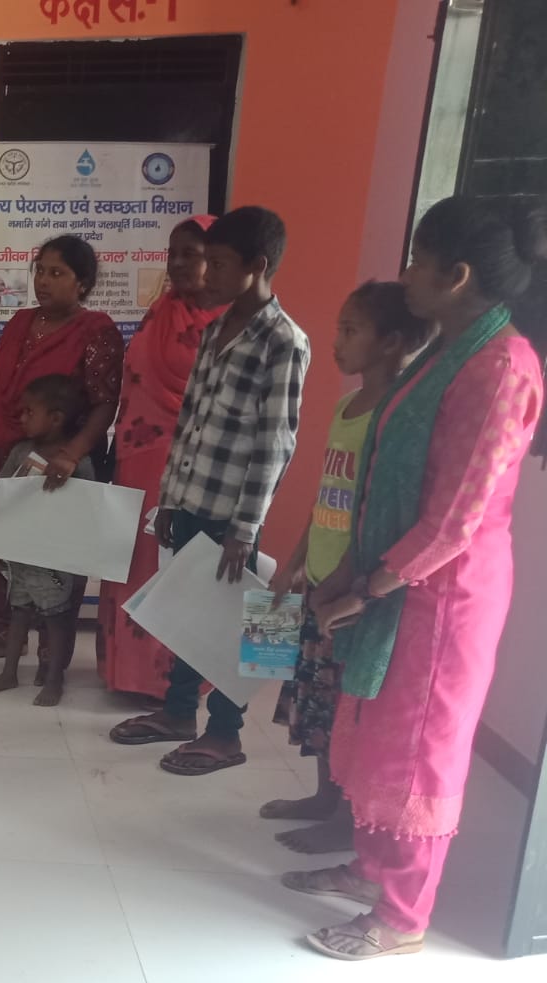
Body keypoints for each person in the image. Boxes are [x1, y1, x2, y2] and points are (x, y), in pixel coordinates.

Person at [282, 197, 545, 960]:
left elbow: (456, 519)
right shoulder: (448, 351)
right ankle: (370, 870)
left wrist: (366, 589)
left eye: (416, 262)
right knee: (376, 733)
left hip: (441, 598)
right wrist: (352, 572)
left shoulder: (501, 370)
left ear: (455, 276)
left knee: (420, 748)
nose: (404, 275)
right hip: (394, 580)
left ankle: (402, 915)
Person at [109, 207, 309, 775]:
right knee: (190, 615)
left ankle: (225, 734)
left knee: (231, 625)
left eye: (219, 264)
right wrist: (170, 498)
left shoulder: (284, 340)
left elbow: (276, 445)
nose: (206, 274)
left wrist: (245, 529)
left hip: (233, 515)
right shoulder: (217, 329)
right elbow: (189, 421)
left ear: (257, 266)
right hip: (190, 498)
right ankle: (177, 714)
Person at [259, 283, 430, 855]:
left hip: (355, 590)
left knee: (344, 707)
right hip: (319, 579)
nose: (337, 341)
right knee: (315, 700)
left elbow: (381, 510)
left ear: (392, 342)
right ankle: (323, 797)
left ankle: (344, 819)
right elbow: (328, 495)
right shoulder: (345, 407)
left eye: (351, 330)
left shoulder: (395, 415)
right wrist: (295, 563)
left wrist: (344, 582)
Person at [0, 235, 123, 668]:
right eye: (40, 271)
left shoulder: (96, 330)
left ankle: (51, 657)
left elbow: (104, 402)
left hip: (58, 463)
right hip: (3, 455)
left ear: (83, 283)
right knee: (5, 551)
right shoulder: (20, 321)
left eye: (57, 273)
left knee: (54, 559)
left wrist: (72, 453)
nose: (43, 281)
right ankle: (7, 639)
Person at [97, 217, 223, 698]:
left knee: (181, 565)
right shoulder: (161, 311)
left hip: (200, 465)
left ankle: (175, 684)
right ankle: (128, 674)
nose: (178, 263)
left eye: (191, 253)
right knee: (136, 560)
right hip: (139, 460)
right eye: (173, 253)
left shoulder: (232, 323)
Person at [0, 375, 95, 705]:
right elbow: (4, 495)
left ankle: (54, 679)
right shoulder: (20, 452)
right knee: (19, 612)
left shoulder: (78, 463)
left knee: (56, 619)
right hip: (21, 554)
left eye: (30, 412)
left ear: (56, 418)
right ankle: (9, 673)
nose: (22, 418)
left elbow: (89, 509)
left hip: (55, 557)